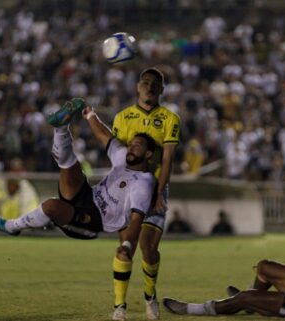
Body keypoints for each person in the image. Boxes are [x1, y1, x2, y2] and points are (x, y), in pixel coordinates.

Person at [0, 99, 157, 319]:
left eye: (137, 145)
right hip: (88, 196)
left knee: (52, 206)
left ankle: (11, 226)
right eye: (131, 143)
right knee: (69, 166)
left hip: (94, 221)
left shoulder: (143, 182)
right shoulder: (123, 158)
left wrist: (128, 244)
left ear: (149, 155)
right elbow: (105, 137)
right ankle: (61, 127)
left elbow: (136, 219)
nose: (131, 146)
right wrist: (90, 115)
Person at [110, 67, 181, 320]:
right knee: (125, 246)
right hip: (127, 189)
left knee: (149, 248)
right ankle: (120, 306)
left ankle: (150, 297)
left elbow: (169, 159)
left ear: (162, 89)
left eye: (155, 84)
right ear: (138, 87)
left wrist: (159, 193)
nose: (150, 87)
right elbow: (117, 157)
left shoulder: (170, 119)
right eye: (146, 82)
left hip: (154, 188)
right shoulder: (122, 117)